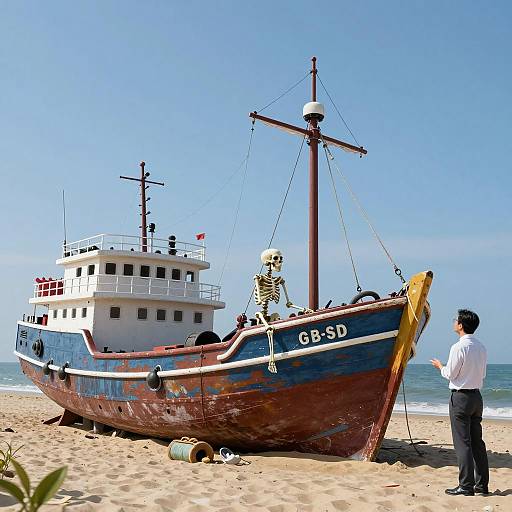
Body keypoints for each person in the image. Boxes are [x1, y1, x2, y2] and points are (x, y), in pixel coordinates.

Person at [430, 309, 489, 497]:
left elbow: (450, 374)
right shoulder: (481, 347)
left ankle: (465, 486)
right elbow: (483, 374)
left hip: (461, 397)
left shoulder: (458, 347)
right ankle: (481, 485)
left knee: (463, 443)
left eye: (456, 320)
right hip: (476, 397)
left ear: (461, 325)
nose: (454, 322)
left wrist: (440, 366)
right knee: (477, 442)